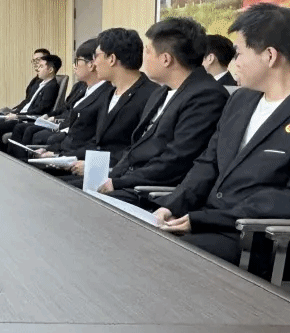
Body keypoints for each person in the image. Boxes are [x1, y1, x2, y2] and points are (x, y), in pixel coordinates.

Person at [153, 4, 290, 276]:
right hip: (213, 226)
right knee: (143, 238)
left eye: (240, 53)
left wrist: (205, 219)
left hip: (266, 241)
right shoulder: (241, 100)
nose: (235, 63)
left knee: (160, 256)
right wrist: (171, 205)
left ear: (270, 56)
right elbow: (209, 163)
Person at [86, 17, 229, 200]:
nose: (143, 58)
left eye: (148, 51)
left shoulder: (206, 96)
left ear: (166, 59)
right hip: (130, 180)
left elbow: (175, 162)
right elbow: (135, 148)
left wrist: (119, 182)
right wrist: (113, 176)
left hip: (153, 191)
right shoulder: (161, 92)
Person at [60, 28, 157, 171]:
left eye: (96, 56)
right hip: (94, 166)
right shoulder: (108, 92)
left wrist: (95, 166)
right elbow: (97, 142)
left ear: (111, 59)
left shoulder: (151, 95)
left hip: (115, 174)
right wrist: (64, 157)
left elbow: (136, 150)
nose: (94, 63)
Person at [14, 39, 108, 159]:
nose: (74, 66)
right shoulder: (82, 87)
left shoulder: (105, 94)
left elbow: (90, 140)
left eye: (77, 61)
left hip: (76, 152)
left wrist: (57, 153)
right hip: (68, 145)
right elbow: (67, 108)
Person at [0, 54, 61, 150]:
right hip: (20, 115)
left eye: (41, 67)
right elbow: (27, 101)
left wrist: (18, 115)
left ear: (50, 70)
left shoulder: (51, 87)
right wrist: (14, 111)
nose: (38, 69)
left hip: (25, 119)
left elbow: (41, 109)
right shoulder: (38, 83)